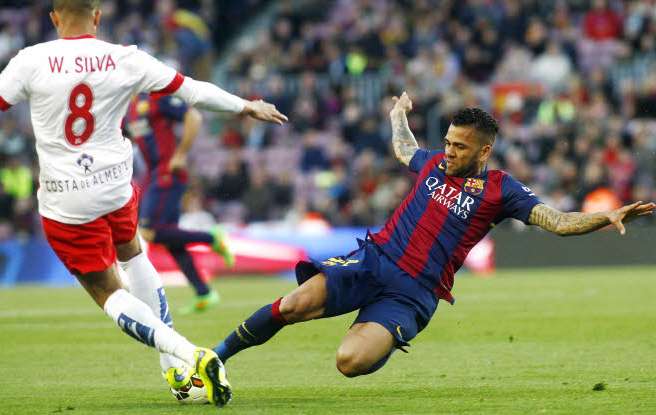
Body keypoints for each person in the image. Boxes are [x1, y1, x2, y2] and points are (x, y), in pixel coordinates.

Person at [213, 93, 654, 377]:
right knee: (293, 304)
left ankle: (386, 335)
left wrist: (605, 216)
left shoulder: (500, 189)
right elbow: (404, 147)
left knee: (349, 362)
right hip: (374, 260)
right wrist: (397, 115)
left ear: (484, 150)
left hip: (414, 292)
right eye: (447, 142)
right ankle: (215, 357)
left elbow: (556, 221)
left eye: (459, 147)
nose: (449, 152)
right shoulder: (433, 162)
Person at [0, 0, 286, 407]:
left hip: (66, 197)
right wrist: (246, 105)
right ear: (97, 16)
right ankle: (175, 372)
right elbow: (193, 91)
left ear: (54, 18)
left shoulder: (30, 60)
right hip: (115, 186)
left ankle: (190, 354)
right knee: (134, 253)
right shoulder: (126, 59)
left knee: (108, 291)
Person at [125, 91, 232, 315]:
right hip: (153, 175)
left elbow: (193, 116)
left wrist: (181, 154)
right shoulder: (129, 106)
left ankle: (212, 237)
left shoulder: (155, 97)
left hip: (168, 172)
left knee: (150, 232)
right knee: (169, 237)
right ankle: (204, 292)